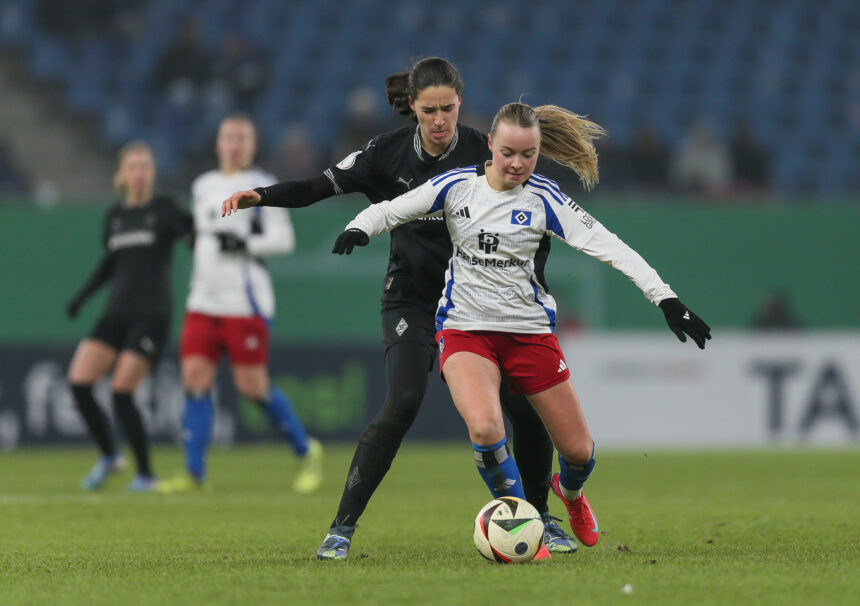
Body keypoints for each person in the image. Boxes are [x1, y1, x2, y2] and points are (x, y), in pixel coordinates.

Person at [222, 57, 577, 560]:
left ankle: (540, 518)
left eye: (448, 109)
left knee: (522, 403)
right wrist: (260, 195)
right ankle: (341, 529)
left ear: (460, 103)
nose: (439, 121)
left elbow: (530, 212)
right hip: (410, 294)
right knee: (403, 400)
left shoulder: (484, 149)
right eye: (429, 110)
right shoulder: (384, 154)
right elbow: (315, 188)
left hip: (480, 300)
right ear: (412, 107)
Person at [332, 102, 711, 548]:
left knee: (579, 452)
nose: (517, 164)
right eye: (508, 152)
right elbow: (393, 209)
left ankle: (569, 494)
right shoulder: (456, 187)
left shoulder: (545, 198)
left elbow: (612, 247)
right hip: (465, 329)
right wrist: (360, 226)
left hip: (529, 334)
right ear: (490, 144)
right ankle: (526, 526)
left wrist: (665, 298)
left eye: (528, 155)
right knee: (487, 428)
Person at [157, 115, 322, 494]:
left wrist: (244, 245)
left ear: (252, 145)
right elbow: (202, 234)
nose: (234, 144)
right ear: (218, 143)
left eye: (242, 138)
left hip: (244, 302)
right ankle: (193, 472)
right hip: (202, 299)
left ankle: (305, 450)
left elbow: (284, 240)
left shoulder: (264, 187)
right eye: (229, 137)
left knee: (252, 386)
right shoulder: (203, 186)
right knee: (195, 381)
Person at [66, 141, 193, 491]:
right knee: (79, 382)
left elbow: (192, 233)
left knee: (122, 390)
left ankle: (146, 475)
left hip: (152, 315)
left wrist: (199, 240)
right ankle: (110, 456)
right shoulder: (115, 217)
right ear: (122, 174)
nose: (139, 173)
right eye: (133, 166)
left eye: (145, 166)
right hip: (115, 313)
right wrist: (80, 298)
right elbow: (109, 265)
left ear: (152, 173)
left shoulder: (165, 209)